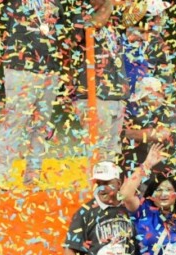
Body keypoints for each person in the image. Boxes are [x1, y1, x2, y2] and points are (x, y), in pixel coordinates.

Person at [0, 0, 65, 187]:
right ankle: (1, 176)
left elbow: (60, 27)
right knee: (16, 120)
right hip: (20, 66)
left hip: (49, 68)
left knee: (41, 126)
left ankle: (33, 178)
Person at [68, 0, 130, 163]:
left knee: (112, 154)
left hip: (117, 94)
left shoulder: (115, 17)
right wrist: (110, 3)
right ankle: (95, 180)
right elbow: (95, 24)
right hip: (94, 95)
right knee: (98, 152)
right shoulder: (80, 16)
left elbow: (137, 14)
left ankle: (109, 179)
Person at [63, 161, 138, 255]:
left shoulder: (130, 208)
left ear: (118, 183)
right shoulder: (85, 212)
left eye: (106, 183)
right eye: (98, 183)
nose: (101, 188)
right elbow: (71, 248)